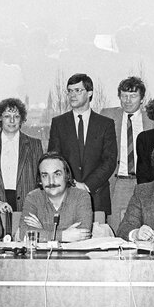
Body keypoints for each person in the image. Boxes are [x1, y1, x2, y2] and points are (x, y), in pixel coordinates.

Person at [48, 73, 117, 215]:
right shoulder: (58, 123)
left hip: (97, 195)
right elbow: (54, 160)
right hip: (66, 195)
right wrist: (71, 184)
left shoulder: (105, 124)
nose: (72, 95)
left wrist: (87, 186)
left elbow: (109, 161)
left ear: (90, 93)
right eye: (70, 91)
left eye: (78, 90)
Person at [100, 76, 154, 231]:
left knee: (145, 227)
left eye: (133, 96)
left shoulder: (152, 120)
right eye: (124, 96)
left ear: (142, 99)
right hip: (119, 184)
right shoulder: (107, 116)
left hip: (144, 183)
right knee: (118, 228)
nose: (128, 101)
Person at [0, 98, 43, 214]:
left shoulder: (34, 144)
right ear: (0, 118)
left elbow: (40, 177)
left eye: (16, 116)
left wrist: (33, 203)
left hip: (27, 204)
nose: (12, 120)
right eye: (7, 116)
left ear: (21, 119)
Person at [18, 152, 93, 243]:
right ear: (40, 180)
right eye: (45, 176)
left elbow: (83, 234)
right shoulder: (33, 198)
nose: (51, 181)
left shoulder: (81, 196)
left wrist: (42, 231)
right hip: (41, 257)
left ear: (67, 176)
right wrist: (63, 236)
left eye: (57, 174)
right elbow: (24, 234)